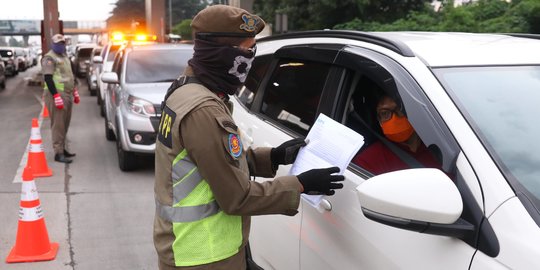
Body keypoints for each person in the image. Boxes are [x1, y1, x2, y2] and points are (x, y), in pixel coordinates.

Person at [154, 5, 344, 270]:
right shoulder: (205, 110)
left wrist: (272, 157)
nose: (251, 59)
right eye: (247, 50)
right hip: (202, 255)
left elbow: (206, 165)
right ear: (222, 54)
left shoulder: (185, 89)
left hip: (193, 248)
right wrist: (299, 184)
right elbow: (236, 198)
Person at [352, 95, 442, 175]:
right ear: (380, 121)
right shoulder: (369, 160)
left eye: (400, 109)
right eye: (384, 113)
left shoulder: (440, 149)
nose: (394, 118)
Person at [42, 34, 80, 163]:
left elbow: (69, 76)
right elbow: (48, 78)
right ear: (53, 44)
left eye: (62, 43)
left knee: (65, 124)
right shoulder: (49, 58)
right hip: (57, 94)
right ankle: (58, 153)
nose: (61, 45)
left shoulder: (64, 56)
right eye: (58, 43)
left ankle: (62, 149)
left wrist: (74, 91)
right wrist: (56, 96)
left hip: (67, 93)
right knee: (58, 125)